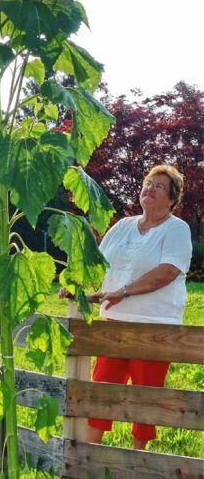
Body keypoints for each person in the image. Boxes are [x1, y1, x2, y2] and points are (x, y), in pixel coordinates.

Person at [86, 164, 192, 450]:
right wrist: (76, 287)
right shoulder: (122, 226)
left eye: (159, 186)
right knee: (101, 391)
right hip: (113, 323)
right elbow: (96, 264)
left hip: (153, 326)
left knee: (146, 394)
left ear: (172, 198)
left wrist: (124, 292)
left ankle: (138, 462)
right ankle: (90, 454)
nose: (150, 188)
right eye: (148, 183)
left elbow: (168, 271)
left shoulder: (177, 229)